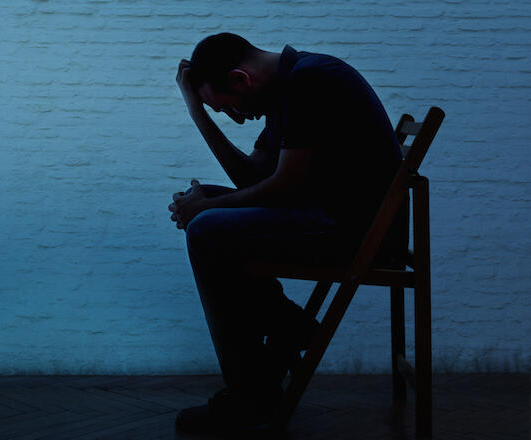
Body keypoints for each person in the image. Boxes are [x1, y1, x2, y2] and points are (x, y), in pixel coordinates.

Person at [168, 33, 406, 436]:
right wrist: (198, 114)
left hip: (355, 233)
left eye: (227, 108)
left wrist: (205, 210)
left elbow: (284, 186)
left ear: (242, 79)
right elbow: (250, 178)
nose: (238, 118)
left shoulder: (312, 79)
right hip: (332, 219)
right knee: (208, 212)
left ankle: (250, 392)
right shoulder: (290, 86)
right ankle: (285, 328)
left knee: (208, 226)